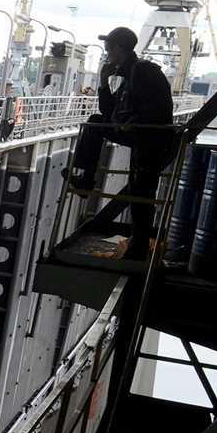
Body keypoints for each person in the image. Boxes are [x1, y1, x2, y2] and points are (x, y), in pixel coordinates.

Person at [67, 26, 174, 260]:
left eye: (109, 49)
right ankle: (86, 181)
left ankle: (138, 244)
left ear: (118, 48)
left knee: (142, 191)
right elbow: (108, 111)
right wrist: (104, 83)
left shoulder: (143, 71)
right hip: (140, 135)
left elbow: (159, 108)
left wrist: (134, 122)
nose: (107, 54)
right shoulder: (129, 77)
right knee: (140, 189)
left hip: (147, 137)